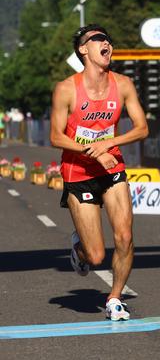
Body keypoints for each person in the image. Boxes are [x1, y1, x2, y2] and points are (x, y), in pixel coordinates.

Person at [50, 24, 148, 321]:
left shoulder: (124, 84)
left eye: (108, 39)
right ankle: (79, 247)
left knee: (125, 236)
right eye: (98, 39)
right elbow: (56, 137)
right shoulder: (67, 88)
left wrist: (110, 143)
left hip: (113, 166)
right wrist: (93, 149)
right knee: (95, 256)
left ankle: (115, 297)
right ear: (83, 49)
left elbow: (142, 128)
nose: (107, 43)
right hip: (79, 171)